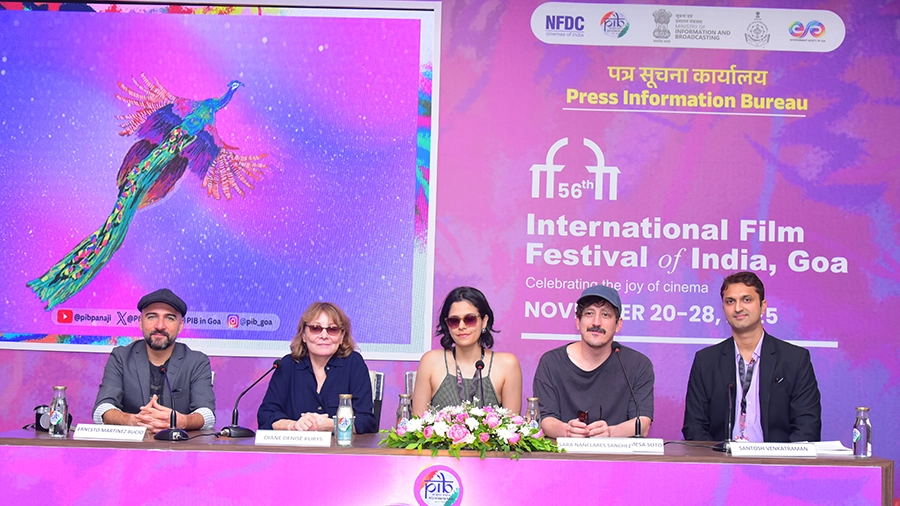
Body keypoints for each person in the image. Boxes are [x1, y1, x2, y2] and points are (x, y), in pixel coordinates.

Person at [682, 271, 822, 443]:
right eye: (730, 301)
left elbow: (808, 427)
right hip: (721, 457)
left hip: (778, 458)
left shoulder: (795, 359)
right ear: (723, 309)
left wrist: (781, 459)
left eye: (746, 300)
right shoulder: (706, 361)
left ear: (763, 306)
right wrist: (717, 457)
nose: (738, 308)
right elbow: (694, 426)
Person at [533, 285, 654, 438]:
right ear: (578, 322)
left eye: (605, 315)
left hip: (617, 453)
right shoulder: (551, 362)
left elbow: (642, 423)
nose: (596, 322)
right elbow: (545, 420)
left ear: (618, 324)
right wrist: (566, 431)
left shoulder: (638, 365)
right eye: (589, 313)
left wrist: (611, 433)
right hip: (564, 452)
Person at [92, 288, 216, 432]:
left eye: (169, 318)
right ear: (140, 322)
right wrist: (132, 420)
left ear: (181, 325)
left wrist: (183, 421)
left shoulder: (197, 362)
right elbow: (102, 409)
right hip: (131, 444)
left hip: (178, 444)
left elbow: (207, 415)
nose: (160, 326)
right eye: (152, 317)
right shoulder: (121, 357)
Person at [257, 302, 377, 433]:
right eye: (315, 328)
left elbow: (366, 422)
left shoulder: (354, 364)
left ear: (342, 336)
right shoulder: (287, 365)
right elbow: (266, 415)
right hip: (295, 445)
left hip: (339, 445)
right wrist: (294, 425)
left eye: (332, 329)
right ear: (304, 335)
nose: (324, 336)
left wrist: (332, 425)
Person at [412, 286, 522, 415]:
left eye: (470, 319)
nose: (461, 326)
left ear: (484, 321)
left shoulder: (507, 364)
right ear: (447, 324)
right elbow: (417, 423)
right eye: (454, 321)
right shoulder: (430, 362)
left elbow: (512, 424)